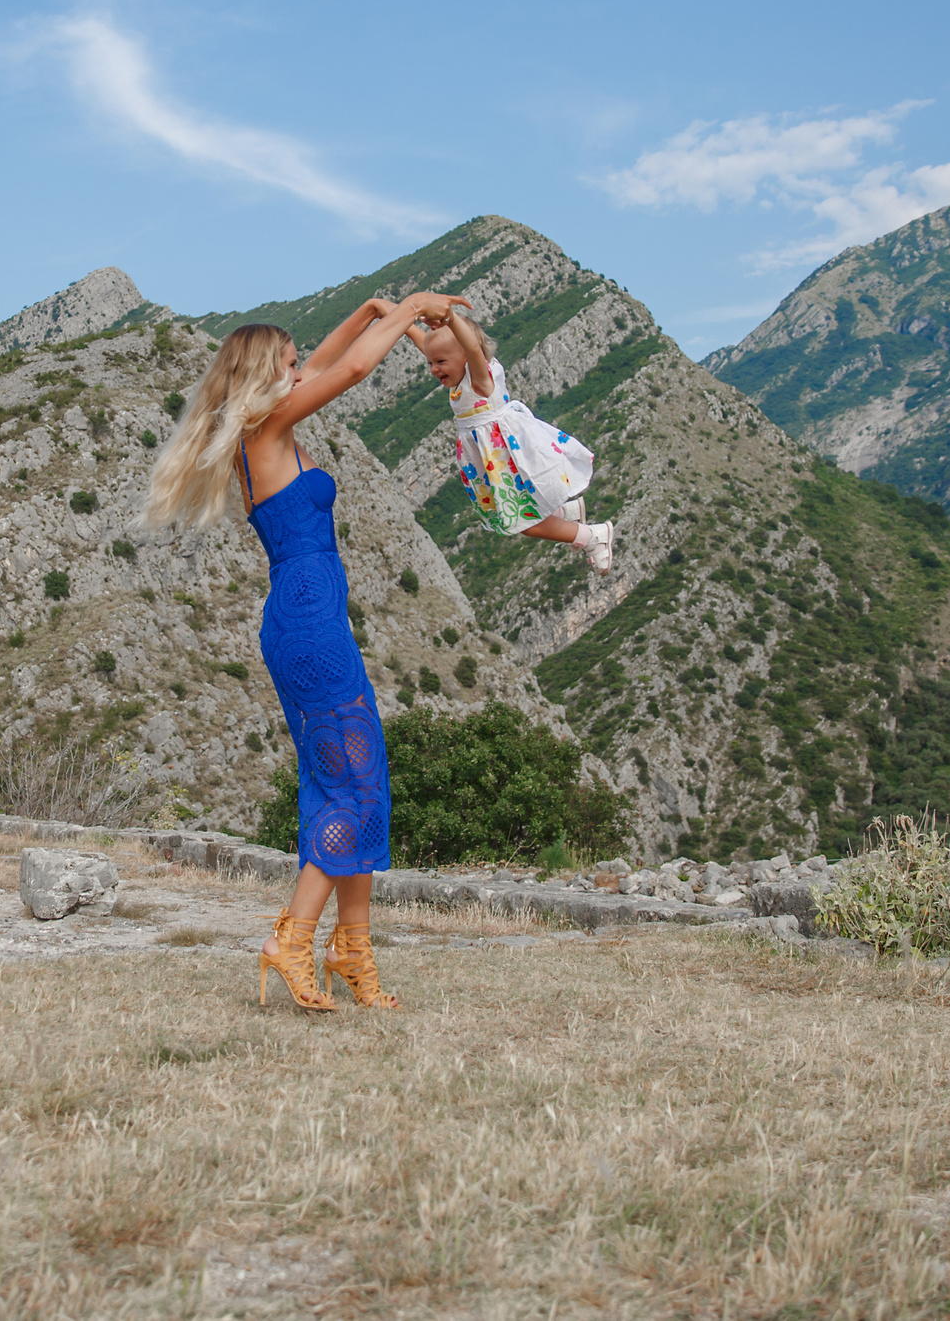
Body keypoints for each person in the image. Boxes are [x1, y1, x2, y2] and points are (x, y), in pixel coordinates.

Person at [141, 295, 460, 1011]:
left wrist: (371, 311)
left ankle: (353, 953)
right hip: (310, 624)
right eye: (287, 363)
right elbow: (348, 372)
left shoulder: (268, 424)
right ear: (265, 375)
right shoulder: (268, 427)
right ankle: (294, 939)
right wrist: (411, 307)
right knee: (355, 784)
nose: (298, 369)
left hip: (309, 619)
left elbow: (323, 364)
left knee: (351, 778)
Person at [407, 303, 614, 574]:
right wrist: (397, 314)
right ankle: (566, 514)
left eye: (440, 362)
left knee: (523, 522)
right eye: (431, 362)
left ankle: (592, 536)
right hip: (495, 460)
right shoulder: (459, 375)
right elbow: (427, 342)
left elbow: (471, 348)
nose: (434, 369)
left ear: (466, 357)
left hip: (506, 457)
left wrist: (450, 317)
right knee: (523, 513)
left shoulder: (478, 381)